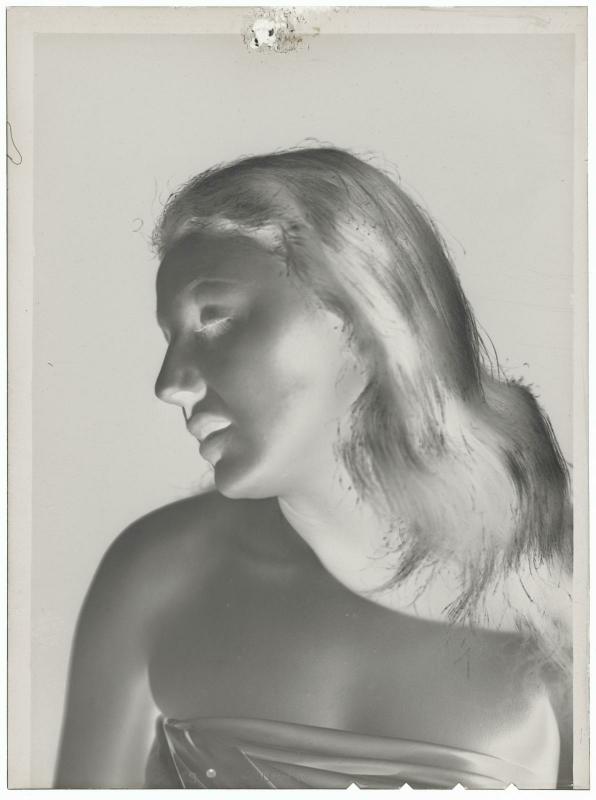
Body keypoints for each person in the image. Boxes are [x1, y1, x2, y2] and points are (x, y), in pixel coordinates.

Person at [55, 147, 573, 789]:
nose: (171, 383)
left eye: (213, 318)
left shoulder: (560, 586)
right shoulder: (155, 574)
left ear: (361, 318)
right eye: (171, 338)